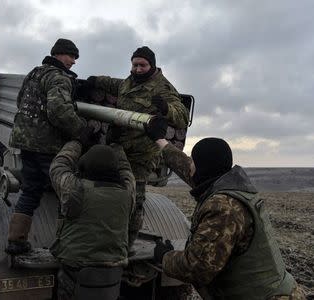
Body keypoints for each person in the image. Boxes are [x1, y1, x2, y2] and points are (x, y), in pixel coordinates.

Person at [143, 119, 305, 299]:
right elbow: (185, 167)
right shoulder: (230, 184)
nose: (190, 167)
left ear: (202, 168)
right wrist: (160, 141)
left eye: (193, 162)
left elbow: (197, 267)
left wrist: (164, 256)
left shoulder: (224, 207)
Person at [85, 46, 189, 249]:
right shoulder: (128, 82)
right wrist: (96, 80)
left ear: (152, 65)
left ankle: (126, 246)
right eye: (135, 65)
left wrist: (166, 108)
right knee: (112, 194)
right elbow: (114, 84)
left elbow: (182, 115)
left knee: (135, 200)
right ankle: (106, 237)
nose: (138, 69)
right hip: (119, 148)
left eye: (143, 65)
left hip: (142, 153)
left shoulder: (162, 88)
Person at [6, 38, 89, 255]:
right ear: (59, 54)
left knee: (31, 189)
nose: (73, 61)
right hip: (47, 146)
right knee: (65, 192)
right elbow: (59, 111)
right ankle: (64, 246)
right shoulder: (58, 77)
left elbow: (19, 102)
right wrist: (82, 131)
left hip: (25, 142)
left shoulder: (35, 73)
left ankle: (15, 241)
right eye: (71, 56)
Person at [49, 140, 135, 300]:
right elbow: (126, 171)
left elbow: (58, 167)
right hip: (112, 272)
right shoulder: (127, 192)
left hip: (75, 269)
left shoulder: (76, 190)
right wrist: (116, 146)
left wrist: (76, 142)